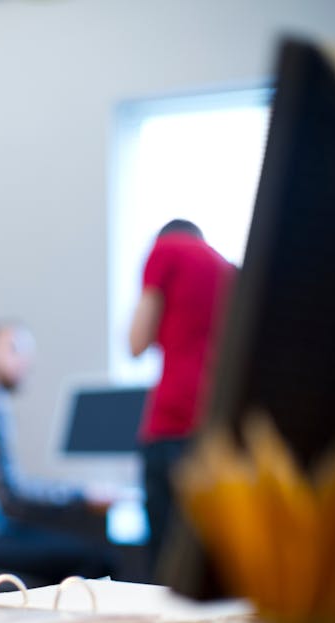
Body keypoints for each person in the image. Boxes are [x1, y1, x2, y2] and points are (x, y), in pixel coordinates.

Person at [0, 323, 116, 585]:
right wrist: (82, 495)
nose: (24, 361)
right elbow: (12, 494)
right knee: (100, 558)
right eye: (14, 349)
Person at [129, 219, 236, 576]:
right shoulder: (226, 268)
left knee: (164, 559)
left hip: (171, 420)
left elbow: (136, 342)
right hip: (215, 420)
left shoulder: (166, 250)